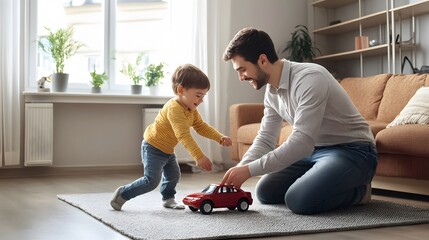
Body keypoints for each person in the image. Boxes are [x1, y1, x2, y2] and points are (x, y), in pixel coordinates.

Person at [221, 28, 377, 215]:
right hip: (314, 151)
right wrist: (240, 169)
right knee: (265, 192)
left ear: (262, 60)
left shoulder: (310, 78)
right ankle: (323, 180)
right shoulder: (271, 91)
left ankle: (360, 192)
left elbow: (302, 142)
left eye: (242, 69)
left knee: (299, 200)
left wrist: (249, 170)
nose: (241, 77)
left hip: (353, 151)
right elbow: (265, 139)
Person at [111, 63, 232, 211]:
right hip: (153, 147)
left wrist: (219, 137)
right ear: (181, 90)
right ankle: (123, 193)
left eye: (203, 96)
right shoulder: (174, 108)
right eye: (198, 95)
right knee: (151, 181)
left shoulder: (191, 109)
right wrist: (199, 156)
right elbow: (183, 135)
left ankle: (168, 198)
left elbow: (201, 127)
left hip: (168, 150)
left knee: (174, 175)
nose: (201, 100)